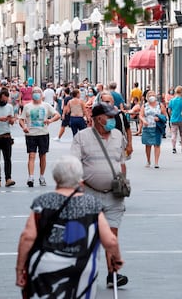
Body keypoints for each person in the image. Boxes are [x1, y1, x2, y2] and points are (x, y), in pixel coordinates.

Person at [15, 156, 124, 298]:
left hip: (46, 266)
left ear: (56, 178)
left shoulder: (43, 202)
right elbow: (110, 241)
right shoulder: (91, 204)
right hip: (81, 266)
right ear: (80, 178)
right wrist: (117, 259)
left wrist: (20, 269)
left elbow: (27, 237)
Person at [71, 102, 129, 289]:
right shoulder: (82, 137)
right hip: (89, 194)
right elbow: (74, 164)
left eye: (113, 116)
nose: (112, 120)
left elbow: (120, 162)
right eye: (109, 116)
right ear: (97, 119)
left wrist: (122, 181)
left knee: (111, 236)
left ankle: (113, 274)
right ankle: (87, 272)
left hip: (114, 195)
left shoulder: (118, 136)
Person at [19, 87, 60, 187]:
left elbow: (57, 115)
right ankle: (31, 177)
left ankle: (42, 176)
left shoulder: (46, 105)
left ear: (42, 95)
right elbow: (21, 119)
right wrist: (24, 127)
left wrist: (50, 121)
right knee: (31, 155)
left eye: (38, 92)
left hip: (43, 134)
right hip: (31, 134)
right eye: (34, 92)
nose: (36, 94)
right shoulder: (27, 106)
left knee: (43, 156)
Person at [139, 90, 167, 168]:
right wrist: (144, 120)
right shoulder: (145, 106)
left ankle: (156, 162)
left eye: (153, 95)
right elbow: (141, 115)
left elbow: (165, 115)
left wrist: (159, 118)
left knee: (157, 144)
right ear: (147, 97)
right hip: (147, 127)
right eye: (150, 95)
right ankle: (148, 160)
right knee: (148, 145)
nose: (152, 96)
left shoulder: (160, 105)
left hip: (157, 127)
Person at [168, 85, 182, 154]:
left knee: (174, 134)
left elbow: (169, 110)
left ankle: (174, 148)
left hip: (173, 119)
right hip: (181, 119)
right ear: (181, 92)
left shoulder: (171, 101)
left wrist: (172, 115)